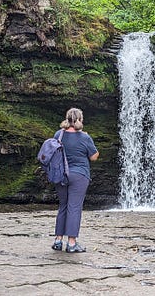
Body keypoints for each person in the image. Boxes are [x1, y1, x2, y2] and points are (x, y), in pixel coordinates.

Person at [51, 108, 99, 253]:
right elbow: (94, 156)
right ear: (80, 120)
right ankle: (71, 243)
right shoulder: (84, 137)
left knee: (63, 206)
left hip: (61, 175)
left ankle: (58, 240)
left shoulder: (59, 134)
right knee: (74, 207)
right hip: (79, 175)